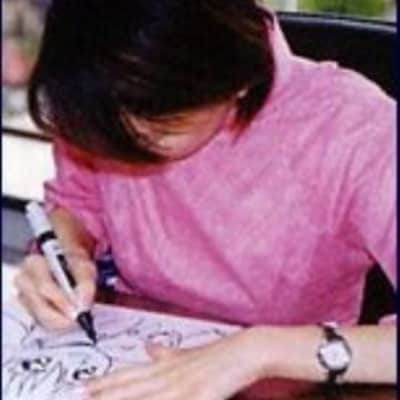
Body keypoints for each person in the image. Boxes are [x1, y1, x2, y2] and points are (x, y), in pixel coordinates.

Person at [15, 1, 396, 399]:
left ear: (239, 79)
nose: (120, 146)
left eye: (155, 135)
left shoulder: (356, 132)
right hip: (136, 354)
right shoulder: (107, 97)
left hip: (291, 386)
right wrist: (68, 252)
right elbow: (79, 200)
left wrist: (260, 351)